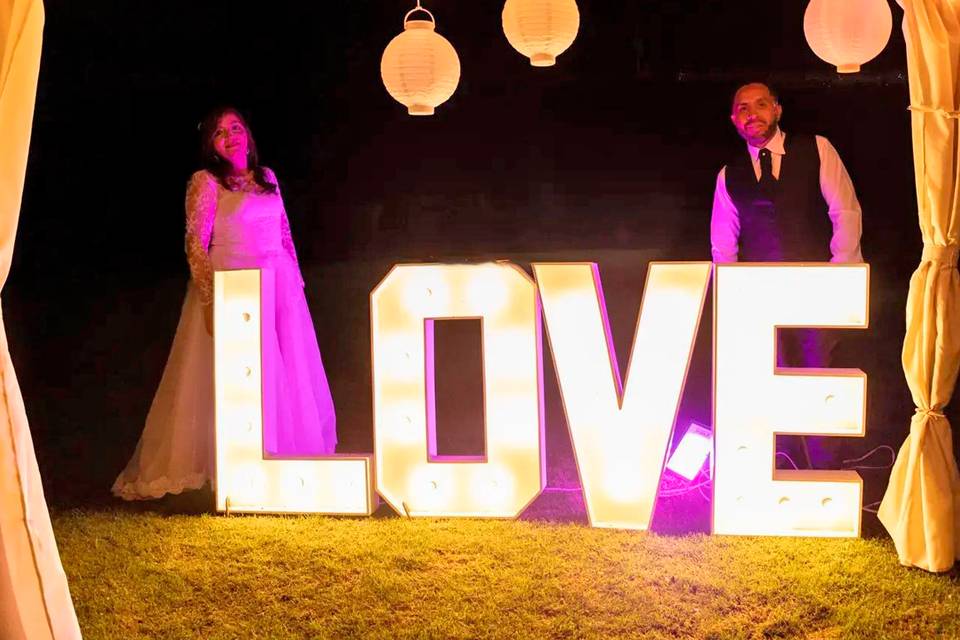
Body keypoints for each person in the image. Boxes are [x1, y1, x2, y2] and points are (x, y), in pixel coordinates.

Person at [112, 107, 337, 500]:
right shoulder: (205, 182)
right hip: (233, 280)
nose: (230, 135)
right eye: (220, 132)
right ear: (211, 145)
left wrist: (296, 284)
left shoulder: (267, 178)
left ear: (248, 134)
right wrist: (210, 297)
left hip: (278, 284)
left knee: (285, 368)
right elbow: (195, 244)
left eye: (236, 127)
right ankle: (235, 458)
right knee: (236, 372)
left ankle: (283, 453)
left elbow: (285, 235)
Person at [710, 82, 863, 468]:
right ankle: (776, 467)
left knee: (817, 377)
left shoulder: (817, 148)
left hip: (816, 290)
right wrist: (732, 299)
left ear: (777, 109)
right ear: (733, 119)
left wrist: (838, 276)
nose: (752, 113)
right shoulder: (729, 174)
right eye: (742, 107)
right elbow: (723, 244)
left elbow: (845, 211)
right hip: (759, 300)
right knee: (764, 380)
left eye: (761, 104)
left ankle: (824, 469)